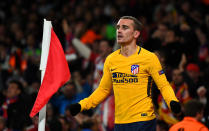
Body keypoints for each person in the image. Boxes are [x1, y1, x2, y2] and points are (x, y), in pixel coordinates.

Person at [69, 16, 181, 131]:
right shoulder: (111, 59)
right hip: (120, 122)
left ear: (136, 34)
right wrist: (81, 105)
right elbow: (103, 90)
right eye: (118, 28)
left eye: (125, 27)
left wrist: (172, 101)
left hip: (143, 120)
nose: (119, 31)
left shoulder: (149, 58)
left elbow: (163, 85)